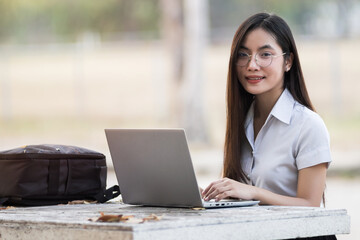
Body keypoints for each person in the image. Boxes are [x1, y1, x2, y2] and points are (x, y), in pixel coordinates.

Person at [202, 13, 332, 208]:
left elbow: (310, 204)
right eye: (243, 54)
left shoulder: (308, 125)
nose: (251, 65)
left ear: (288, 61)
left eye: (265, 54)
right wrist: (212, 196)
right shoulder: (242, 121)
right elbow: (242, 197)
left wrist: (253, 193)